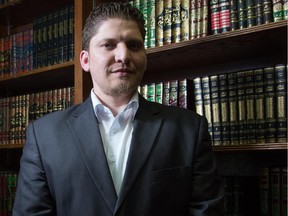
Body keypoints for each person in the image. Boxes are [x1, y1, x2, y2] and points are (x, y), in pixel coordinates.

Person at [13, 2, 224, 215]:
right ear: (85, 60)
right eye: (108, 45)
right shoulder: (43, 135)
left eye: (133, 45)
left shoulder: (189, 129)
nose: (123, 56)